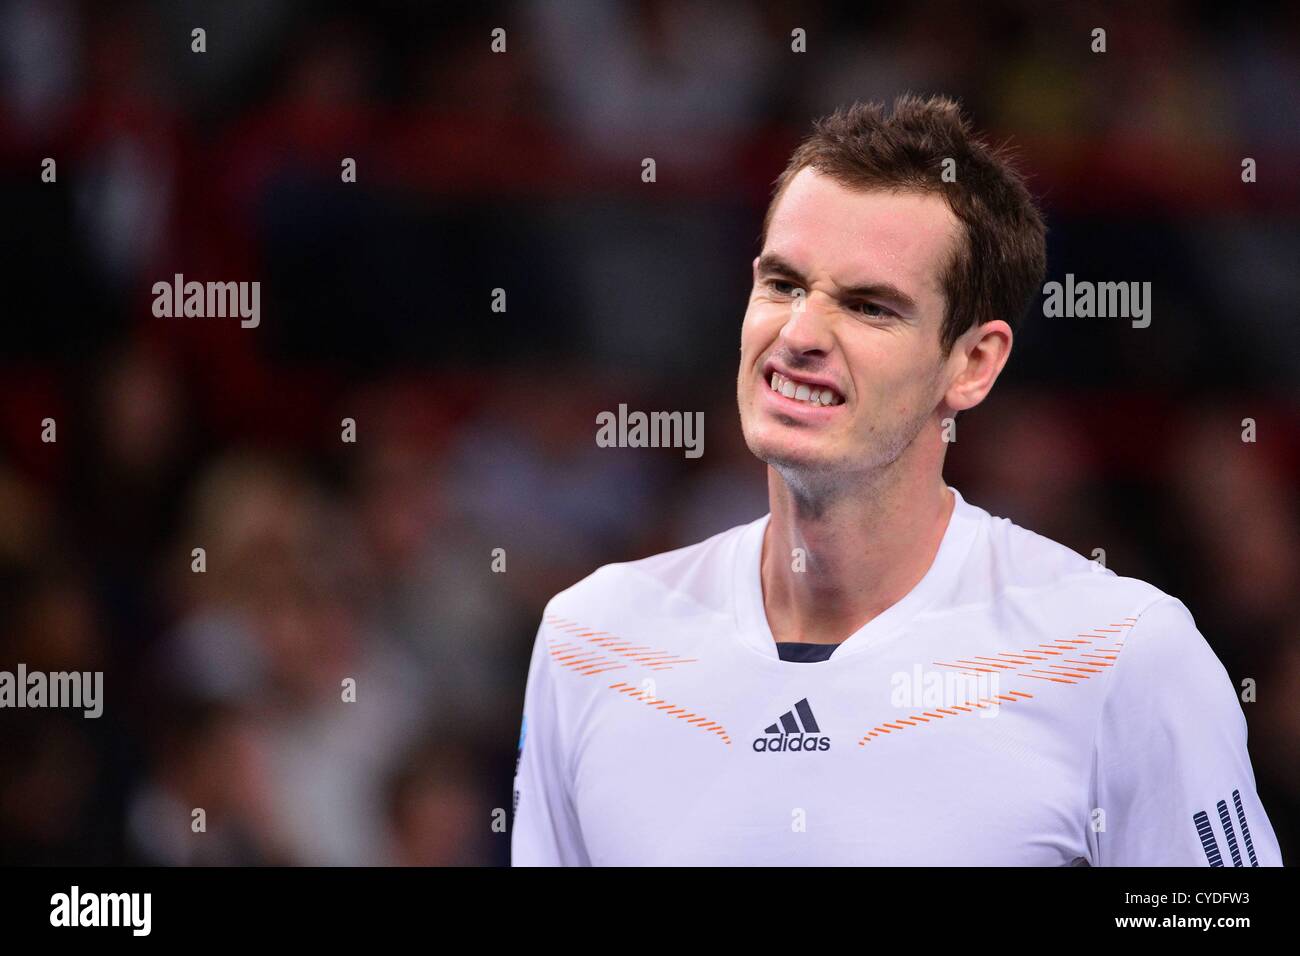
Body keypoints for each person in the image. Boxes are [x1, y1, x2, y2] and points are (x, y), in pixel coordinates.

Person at [511, 94, 1283, 866]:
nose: (801, 334)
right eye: (783, 285)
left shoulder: (1123, 657)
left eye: (868, 306)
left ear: (973, 364)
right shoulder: (590, 641)